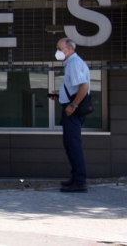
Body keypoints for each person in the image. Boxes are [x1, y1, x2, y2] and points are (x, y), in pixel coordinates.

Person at [50, 38, 90, 193]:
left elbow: (84, 86)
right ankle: (76, 178)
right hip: (71, 109)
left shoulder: (73, 64)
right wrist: (60, 95)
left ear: (69, 49)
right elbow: (74, 88)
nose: (58, 52)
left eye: (60, 49)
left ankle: (80, 182)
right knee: (70, 145)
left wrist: (73, 105)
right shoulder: (73, 63)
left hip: (72, 112)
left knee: (73, 146)